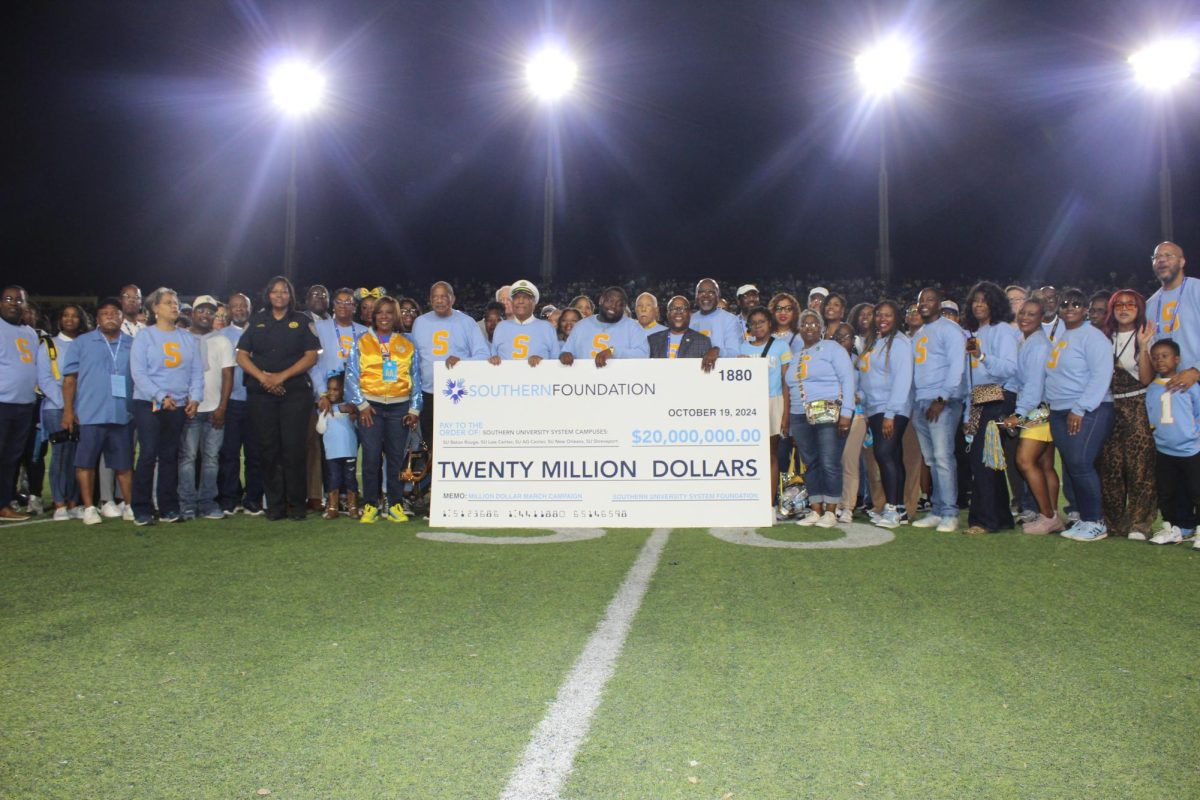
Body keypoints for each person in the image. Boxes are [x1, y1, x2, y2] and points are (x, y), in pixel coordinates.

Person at [236, 276, 320, 521]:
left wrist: (280, 377)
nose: (280, 295)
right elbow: (242, 355)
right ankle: (275, 505)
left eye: (284, 292)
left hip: (294, 393)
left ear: (291, 296)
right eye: (275, 292)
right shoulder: (257, 320)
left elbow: (311, 356)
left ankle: (297, 504)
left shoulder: (302, 320)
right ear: (268, 295)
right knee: (268, 449)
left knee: (293, 449)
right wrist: (265, 379)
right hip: (262, 394)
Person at [129, 287, 203, 526]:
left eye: (176, 302)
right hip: (148, 403)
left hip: (178, 405)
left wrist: (195, 398)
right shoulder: (145, 336)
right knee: (148, 454)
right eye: (169, 302)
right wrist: (160, 396)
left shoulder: (187, 338)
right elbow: (138, 373)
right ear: (155, 308)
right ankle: (141, 508)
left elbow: (196, 372)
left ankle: (168, 507)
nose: (175, 306)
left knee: (170, 456)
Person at [1045, 288, 1114, 542]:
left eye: (1076, 304)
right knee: (1073, 466)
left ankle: (1096, 521)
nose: (1070, 307)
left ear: (1086, 310)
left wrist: (1080, 407)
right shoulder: (1063, 336)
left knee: (1082, 464)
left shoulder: (1093, 337)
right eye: (1065, 304)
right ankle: (1085, 518)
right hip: (1060, 409)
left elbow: (1101, 374)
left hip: (1087, 409)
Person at [60, 298, 135, 526]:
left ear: (122, 318)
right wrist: (68, 411)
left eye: (115, 313)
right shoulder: (82, 343)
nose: (110, 316)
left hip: (122, 413)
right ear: (97, 319)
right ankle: (90, 507)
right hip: (90, 413)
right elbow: (70, 379)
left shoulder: (133, 343)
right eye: (105, 313)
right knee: (86, 462)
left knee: (124, 463)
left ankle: (129, 505)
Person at [345, 296, 421, 524]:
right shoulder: (361, 341)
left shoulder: (407, 343)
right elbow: (351, 376)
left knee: (397, 458)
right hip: (371, 407)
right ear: (373, 316)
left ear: (395, 315)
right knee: (370, 457)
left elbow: (415, 377)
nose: (385, 317)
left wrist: (415, 409)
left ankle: (395, 503)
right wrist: (362, 405)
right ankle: (370, 504)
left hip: (399, 407)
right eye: (380, 312)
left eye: (389, 312)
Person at [785, 310, 855, 528]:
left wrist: (847, 413)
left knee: (829, 462)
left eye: (814, 324)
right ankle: (815, 509)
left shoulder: (832, 348)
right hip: (799, 414)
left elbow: (848, 379)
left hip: (827, 410)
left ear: (823, 328)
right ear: (799, 329)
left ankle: (831, 511)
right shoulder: (795, 355)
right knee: (811, 463)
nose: (809, 327)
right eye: (804, 324)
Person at [960, 281, 1020, 534]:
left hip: (998, 395)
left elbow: (1009, 368)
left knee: (986, 459)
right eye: (975, 300)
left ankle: (984, 520)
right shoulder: (975, 333)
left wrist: (982, 357)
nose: (978, 305)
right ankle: (1000, 518)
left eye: (984, 300)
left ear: (994, 303)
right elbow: (969, 378)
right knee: (981, 460)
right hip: (978, 398)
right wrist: (967, 412)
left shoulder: (1003, 330)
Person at [1098, 290, 1156, 539]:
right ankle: (1114, 522)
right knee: (1110, 467)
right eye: (1119, 304)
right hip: (1110, 407)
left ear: (1139, 308)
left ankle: (1139, 524)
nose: (1124, 308)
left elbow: (1145, 378)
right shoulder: (1103, 337)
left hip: (1137, 406)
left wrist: (1143, 347)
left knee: (1140, 468)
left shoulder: (1146, 335)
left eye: (1130, 304)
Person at [1001, 298, 1061, 534]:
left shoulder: (1038, 346)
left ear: (1041, 318)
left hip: (1039, 409)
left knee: (1024, 461)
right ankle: (1052, 514)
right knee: (1045, 464)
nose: (1025, 317)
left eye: (1032, 314)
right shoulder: (1025, 340)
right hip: (1040, 407)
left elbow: (1034, 386)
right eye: (1023, 313)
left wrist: (1018, 413)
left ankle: (1047, 516)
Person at [910, 287, 966, 532]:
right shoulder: (919, 333)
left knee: (943, 457)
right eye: (921, 300)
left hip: (940, 401)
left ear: (939, 304)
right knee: (931, 459)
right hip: (921, 401)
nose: (924, 303)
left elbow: (957, 366)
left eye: (930, 299)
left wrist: (942, 398)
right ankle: (937, 509)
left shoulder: (950, 329)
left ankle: (950, 513)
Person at [410, 281, 490, 452]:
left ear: (452, 299)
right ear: (430, 300)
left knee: (456, 444)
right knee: (429, 446)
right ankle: (430, 479)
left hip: (457, 394)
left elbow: (483, 356)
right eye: (435, 297)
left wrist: (461, 362)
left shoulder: (467, 322)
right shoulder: (420, 322)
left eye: (444, 296)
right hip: (427, 394)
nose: (440, 300)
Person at [177, 296, 234, 521]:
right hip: (189, 408)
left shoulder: (222, 341)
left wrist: (222, 407)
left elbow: (227, 376)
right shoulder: (181, 338)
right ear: (193, 312)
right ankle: (187, 503)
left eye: (210, 311)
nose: (206, 314)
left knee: (211, 459)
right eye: (201, 309)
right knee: (187, 458)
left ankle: (208, 503)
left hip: (213, 409)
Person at [859, 300, 914, 529]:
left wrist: (891, 413)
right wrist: (860, 396)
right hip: (875, 408)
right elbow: (868, 376)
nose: (882, 318)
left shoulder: (900, 342)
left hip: (892, 408)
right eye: (878, 314)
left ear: (897, 317)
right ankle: (899, 508)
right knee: (892, 455)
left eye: (888, 315)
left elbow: (903, 379)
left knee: (884, 454)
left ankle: (891, 508)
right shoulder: (873, 342)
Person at [1145, 339, 1200, 548]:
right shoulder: (1152, 388)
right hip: (1164, 450)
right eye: (1156, 356)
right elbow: (1152, 417)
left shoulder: (1191, 386)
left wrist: (1194, 434)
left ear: (1177, 359)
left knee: (1196, 491)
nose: (1160, 360)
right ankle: (1172, 528)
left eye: (1165, 355)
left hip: (1190, 450)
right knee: (1166, 492)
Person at [37, 304, 89, 520]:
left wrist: (79, 406)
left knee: (78, 457)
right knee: (60, 455)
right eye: (65, 315)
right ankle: (59, 503)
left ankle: (73, 502)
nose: (69, 319)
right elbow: (45, 379)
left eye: (75, 316)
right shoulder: (49, 344)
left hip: (83, 409)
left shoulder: (86, 344)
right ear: (59, 319)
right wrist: (66, 405)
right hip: (55, 408)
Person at [832, 321, 885, 522]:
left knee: (849, 461)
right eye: (837, 337)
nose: (840, 340)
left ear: (852, 340)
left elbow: (867, 388)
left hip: (857, 415)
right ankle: (835, 503)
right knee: (834, 461)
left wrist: (857, 396)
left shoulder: (859, 361)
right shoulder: (828, 360)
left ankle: (847, 506)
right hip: (832, 416)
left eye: (844, 337)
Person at [216, 292, 263, 515]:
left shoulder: (260, 330)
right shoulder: (221, 335)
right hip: (232, 401)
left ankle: (253, 498)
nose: (239, 309)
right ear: (228, 309)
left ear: (249, 308)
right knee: (230, 453)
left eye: (243, 305)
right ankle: (230, 497)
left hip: (256, 401)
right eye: (234, 306)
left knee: (255, 453)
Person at [739, 306, 790, 509]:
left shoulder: (781, 347)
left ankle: (768, 504)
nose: (758, 326)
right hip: (749, 404)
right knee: (750, 454)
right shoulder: (743, 348)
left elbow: (786, 381)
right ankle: (751, 500)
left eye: (762, 322)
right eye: (754, 323)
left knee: (770, 453)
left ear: (770, 323)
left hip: (773, 400)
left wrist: (786, 413)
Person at [0, 286, 39, 521]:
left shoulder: (30, 333)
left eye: (18, 300)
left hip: (25, 404)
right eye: (7, 299)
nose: (13, 303)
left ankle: (4, 504)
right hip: (2, 402)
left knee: (11, 457)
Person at [1147, 241, 1200, 392]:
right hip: (1170, 388)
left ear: (1182, 262)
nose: (1162, 260)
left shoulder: (1197, 290)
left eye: (1168, 255)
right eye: (1157, 257)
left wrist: (1195, 371)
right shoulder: (1150, 305)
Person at [560, 287, 650, 367]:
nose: (614, 306)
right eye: (610, 301)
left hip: (621, 383)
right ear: (601, 300)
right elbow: (566, 351)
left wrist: (613, 352)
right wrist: (565, 355)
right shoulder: (581, 326)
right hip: (585, 382)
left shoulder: (633, 327)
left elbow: (644, 354)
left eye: (620, 304)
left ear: (624, 308)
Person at [317, 372, 359, 519]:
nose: (332, 393)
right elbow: (320, 430)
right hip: (331, 452)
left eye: (336, 389)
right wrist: (322, 414)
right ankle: (333, 507)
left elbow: (358, 425)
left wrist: (354, 412)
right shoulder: (323, 408)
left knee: (350, 478)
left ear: (343, 390)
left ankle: (353, 507)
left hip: (349, 450)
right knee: (333, 478)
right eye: (329, 389)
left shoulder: (350, 407)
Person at [488, 280, 560, 365]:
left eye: (525, 298)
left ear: (533, 303)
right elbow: (492, 356)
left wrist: (542, 362)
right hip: (506, 377)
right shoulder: (501, 327)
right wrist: (493, 359)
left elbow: (556, 360)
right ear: (512, 302)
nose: (520, 301)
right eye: (516, 298)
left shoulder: (547, 327)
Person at [647, 296, 719, 371]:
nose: (678, 311)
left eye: (683, 308)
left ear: (690, 314)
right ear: (667, 314)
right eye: (673, 308)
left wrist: (716, 350)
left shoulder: (703, 341)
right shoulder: (652, 340)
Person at [692, 279, 743, 356]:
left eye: (711, 292)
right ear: (696, 296)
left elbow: (735, 352)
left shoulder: (731, 320)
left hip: (721, 367)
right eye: (701, 292)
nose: (706, 295)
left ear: (718, 296)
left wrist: (718, 352)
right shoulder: (689, 320)